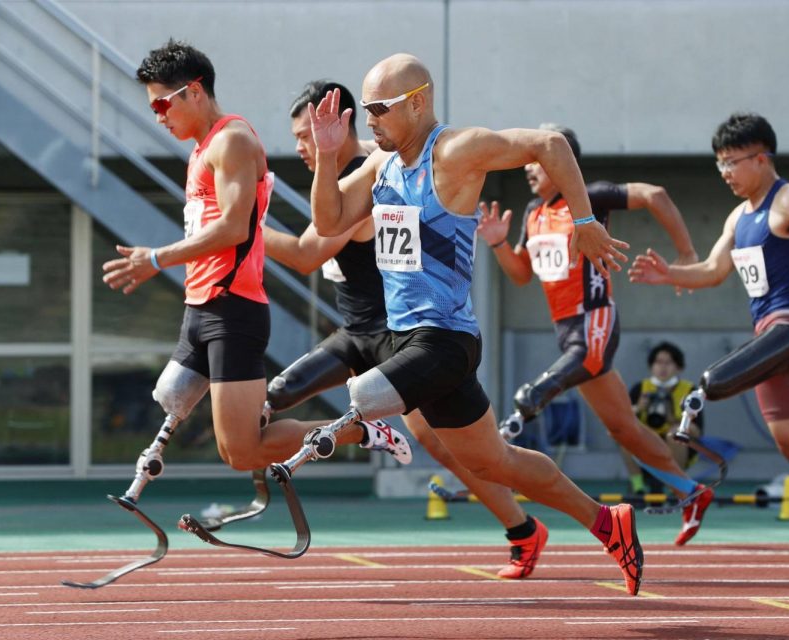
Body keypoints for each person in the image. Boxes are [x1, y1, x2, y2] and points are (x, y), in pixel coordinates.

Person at [279, 53, 643, 595]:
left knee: (367, 391)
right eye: (367, 108)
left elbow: (551, 145)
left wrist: (586, 219)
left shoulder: (454, 150)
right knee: (494, 462)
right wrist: (330, 158)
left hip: (445, 339)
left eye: (379, 108)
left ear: (418, 102)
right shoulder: (381, 165)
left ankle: (365, 428)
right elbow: (329, 221)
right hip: (407, 338)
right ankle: (606, 522)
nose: (370, 118)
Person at [264, 80, 546, 579]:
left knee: (450, 446)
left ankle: (520, 528)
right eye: (299, 137)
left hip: (398, 334)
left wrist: (239, 229)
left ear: (344, 121)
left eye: (307, 135)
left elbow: (309, 252)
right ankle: (518, 525)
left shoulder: (374, 170)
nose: (302, 148)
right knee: (276, 395)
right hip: (355, 332)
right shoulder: (357, 169)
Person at [101, 41, 391, 476]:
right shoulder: (200, 151)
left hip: (242, 309)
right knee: (207, 421)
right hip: (205, 305)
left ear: (194, 92)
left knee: (244, 448)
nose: (158, 115)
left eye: (163, 103)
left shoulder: (233, 140)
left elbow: (243, 231)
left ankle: (361, 432)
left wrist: (157, 259)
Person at [629, 112, 789, 556]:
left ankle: (700, 395)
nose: (725, 173)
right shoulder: (737, 217)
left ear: (762, 158)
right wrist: (667, 273)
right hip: (769, 338)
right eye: (720, 164)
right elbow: (712, 271)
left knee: (713, 382)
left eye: (733, 162)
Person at [477, 123, 711, 546]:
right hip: (565, 332)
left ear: (562, 161)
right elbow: (521, 275)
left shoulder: (590, 198)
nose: (530, 166)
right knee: (623, 429)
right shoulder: (533, 213)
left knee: (545, 387)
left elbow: (654, 194)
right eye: (528, 159)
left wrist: (687, 254)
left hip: (595, 322)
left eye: (539, 158)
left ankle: (529, 404)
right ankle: (691, 493)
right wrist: (497, 245)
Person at [623, 342, 702, 495]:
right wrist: (638, 408)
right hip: (646, 443)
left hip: (676, 447)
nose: (663, 367)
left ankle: (676, 487)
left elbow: (697, 432)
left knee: (675, 435)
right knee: (625, 434)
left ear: (679, 367)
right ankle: (638, 487)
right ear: (651, 366)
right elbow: (621, 420)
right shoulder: (640, 388)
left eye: (668, 363)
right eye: (658, 362)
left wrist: (674, 420)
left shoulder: (690, 390)